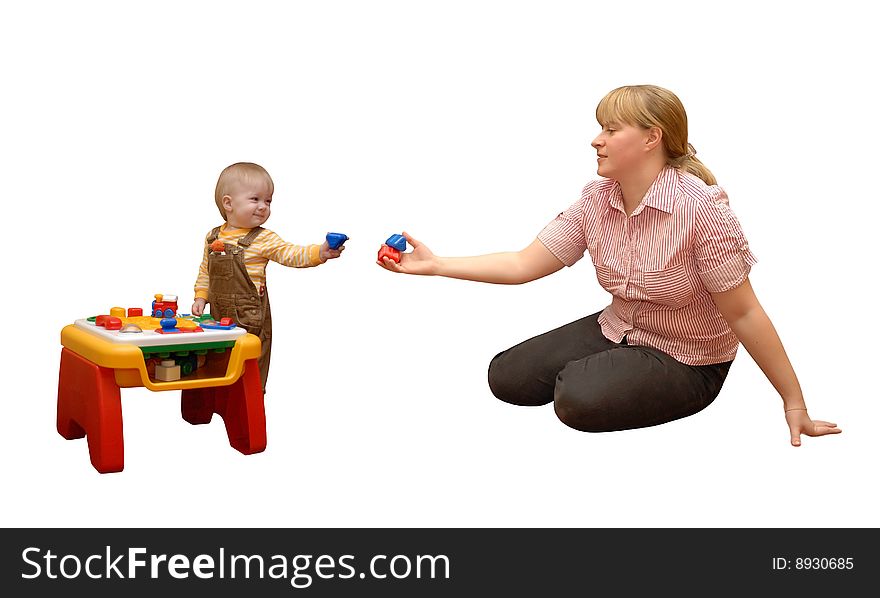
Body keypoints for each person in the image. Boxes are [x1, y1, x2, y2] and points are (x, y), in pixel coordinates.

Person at [377, 84, 840, 447]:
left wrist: (793, 402)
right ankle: (605, 368)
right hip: (617, 326)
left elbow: (744, 313)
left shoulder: (701, 211)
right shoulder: (598, 198)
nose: (596, 139)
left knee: (575, 400)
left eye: (611, 129)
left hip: (688, 358)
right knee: (507, 378)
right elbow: (523, 263)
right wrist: (436, 265)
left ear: (651, 138)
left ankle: (612, 377)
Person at [192, 162, 344, 392]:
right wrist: (201, 297)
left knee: (249, 368)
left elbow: (291, 254)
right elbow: (205, 270)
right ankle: (218, 399)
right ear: (228, 203)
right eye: (255, 199)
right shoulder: (212, 237)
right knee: (218, 362)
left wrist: (319, 253)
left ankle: (250, 404)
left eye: (268, 201)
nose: (263, 206)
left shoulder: (264, 239)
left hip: (249, 321)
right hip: (218, 317)